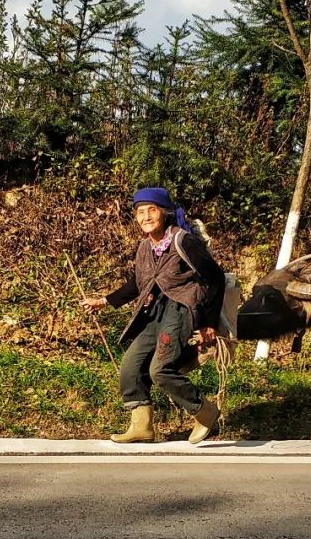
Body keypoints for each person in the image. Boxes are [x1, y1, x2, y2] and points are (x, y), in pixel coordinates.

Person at [82, 187, 226, 444]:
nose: (146, 216)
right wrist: (103, 301)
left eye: (152, 210)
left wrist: (209, 324)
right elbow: (138, 284)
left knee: (160, 370)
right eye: (140, 212)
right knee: (131, 366)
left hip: (182, 310)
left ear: (165, 213)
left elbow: (215, 279)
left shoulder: (183, 241)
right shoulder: (145, 248)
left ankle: (204, 410)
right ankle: (142, 426)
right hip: (155, 313)